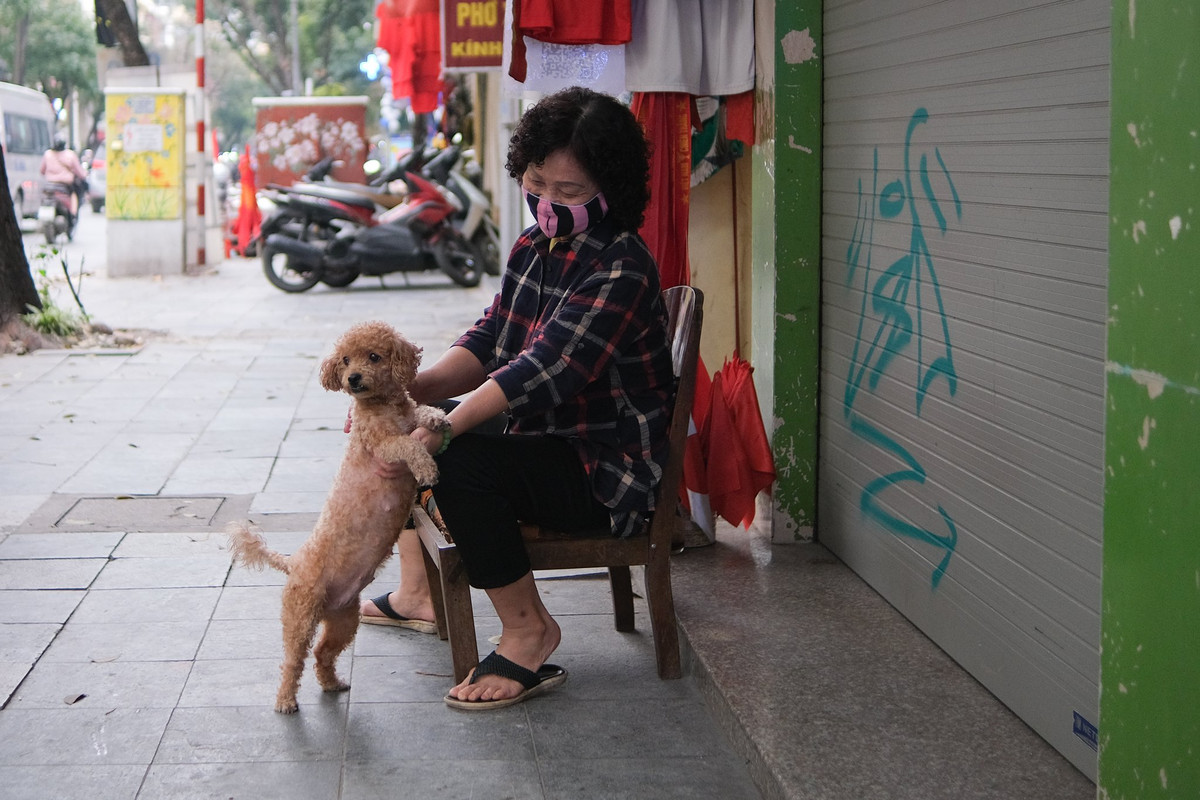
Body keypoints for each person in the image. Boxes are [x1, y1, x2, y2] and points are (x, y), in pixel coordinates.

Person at [358, 86, 675, 709]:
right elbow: (493, 337)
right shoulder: (535, 246)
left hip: (603, 471)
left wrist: (446, 428)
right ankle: (417, 592)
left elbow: (542, 369)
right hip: (544, 440)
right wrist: (412, 393)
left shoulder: (620, 267)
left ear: (611, 190)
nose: (548, 203)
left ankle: (530, 630)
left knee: (452, 458)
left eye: (570, 192)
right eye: (537, 183)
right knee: (402, 426)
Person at [40, 138, 88, 215]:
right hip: (65, 187)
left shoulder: (47, 154)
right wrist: (84, 174)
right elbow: (79, 172)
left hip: (48, 186)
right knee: (74, 194)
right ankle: (73, 214)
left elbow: (42, 171)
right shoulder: (70, 155)